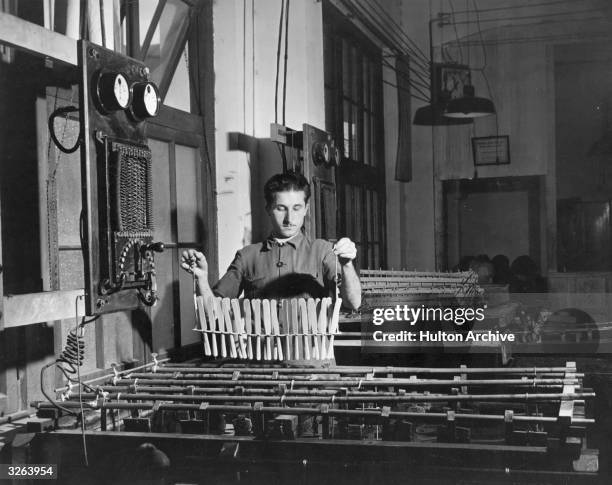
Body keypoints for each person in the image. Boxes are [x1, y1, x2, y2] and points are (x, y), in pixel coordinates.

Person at [180, 172, 361, 310]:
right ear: (268, 208)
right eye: (281, 208)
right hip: (261, 357)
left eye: (297, 208)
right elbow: (213, 311)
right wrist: (201, 278)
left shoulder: (323, 251)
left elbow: (353, 302)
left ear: (306, 209)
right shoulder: (247, 256)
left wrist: (346, 265)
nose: (290, 218)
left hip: (310, 357)